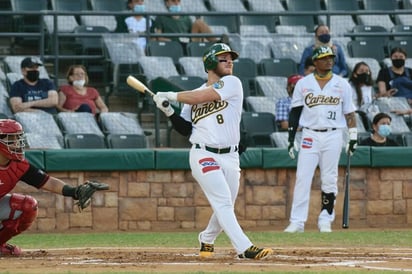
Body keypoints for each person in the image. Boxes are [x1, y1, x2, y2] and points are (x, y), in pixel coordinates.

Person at [152, 43, 273, 259]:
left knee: (226, 204)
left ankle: (206, 238)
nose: (230, 62)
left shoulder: (232, 83)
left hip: (231, 156)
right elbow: (186, 129)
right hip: (203, 153)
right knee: (223, 201)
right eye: (223, 58)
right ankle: (244, 248)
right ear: (210, 63)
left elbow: (200, 98)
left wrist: (171, 95)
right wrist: (169, 111)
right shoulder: (193, 93)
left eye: (230, 58)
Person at [0, 119, 108, 256]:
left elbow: (47, 181)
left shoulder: (18, 165)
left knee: (28, 205)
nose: (17, 143)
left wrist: (74, 191)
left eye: (18, 138)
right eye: (11, 139)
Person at [285, 46, 357, 233]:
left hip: (333, 134)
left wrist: (353, 136)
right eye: (324, 58)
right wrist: (291, 138)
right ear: (315, 61)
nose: (329, 61)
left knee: (329, 178)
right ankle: (297, 222)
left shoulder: (342, 84)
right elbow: (295, 112)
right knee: (303, 177)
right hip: (309, 134)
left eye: (331, 58)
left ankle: (326, 218)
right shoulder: (304, 83)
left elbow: (350, 113)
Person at [153, 0, 218, 46]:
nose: (176, 3)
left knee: (199, 23)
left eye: (178, 1)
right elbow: (159, 37)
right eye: (173, 1)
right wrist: (174, 42)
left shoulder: (186, 17)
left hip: (189, 43)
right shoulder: (161, 17)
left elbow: (193, 34)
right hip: (174, 45)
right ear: (167, 3)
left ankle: (218, 44)